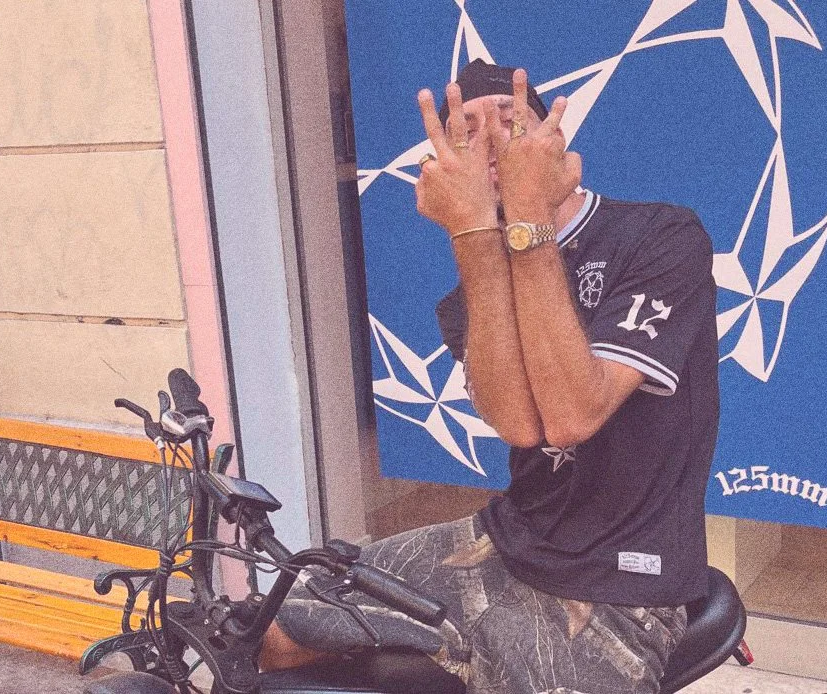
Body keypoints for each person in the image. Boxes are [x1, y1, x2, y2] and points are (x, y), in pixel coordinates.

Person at [260, 60, 720, 694]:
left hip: (623, 580)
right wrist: (476, 235)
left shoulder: (659, 235)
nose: (493, 143)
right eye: (466, 133)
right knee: (278, 628)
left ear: (557, 147)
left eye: (511, 122)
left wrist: (526, 213)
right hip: (511, 538)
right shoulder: (466, 294)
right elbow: (521, 425)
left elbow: (573, 416)